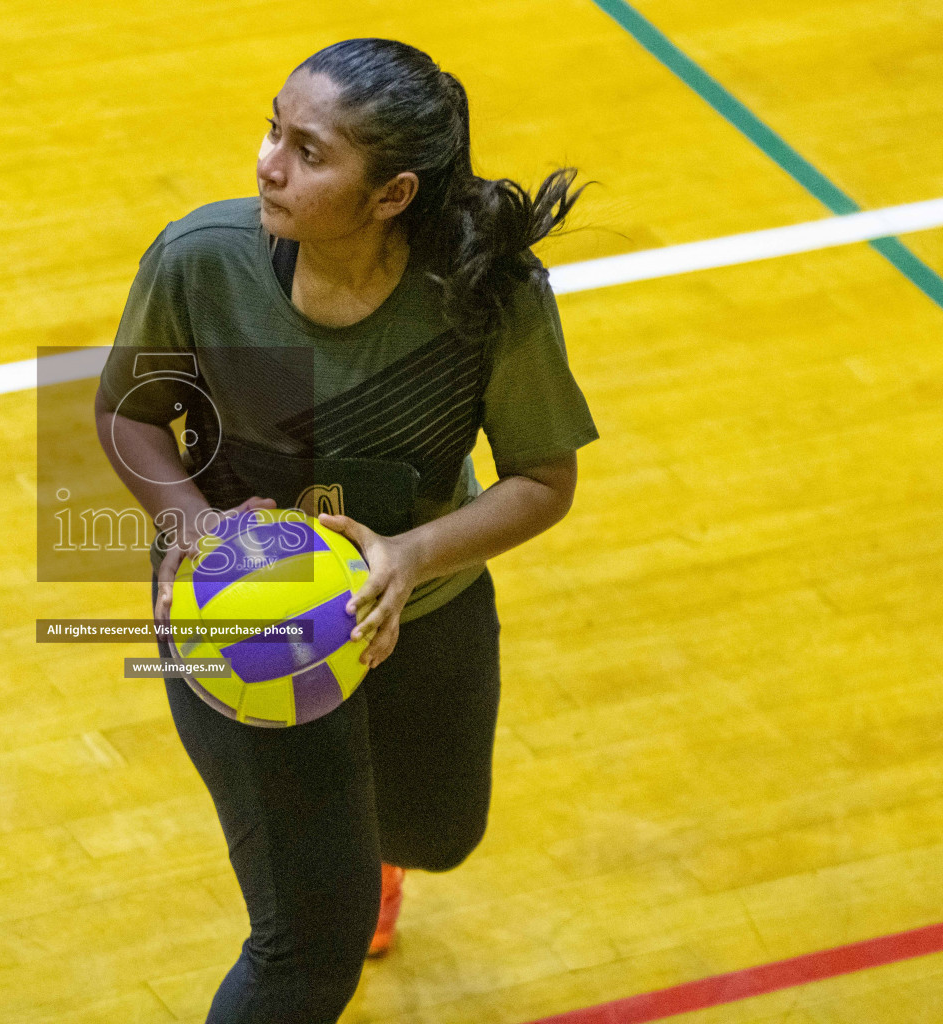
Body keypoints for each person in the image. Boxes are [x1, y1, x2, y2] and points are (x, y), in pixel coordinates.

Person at [94, 38, 598, 1023]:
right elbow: (127, 413)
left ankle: (368, 848)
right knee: (308, 944)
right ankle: (335, 871)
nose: (267, 162)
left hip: (424, 603)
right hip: (237, 616)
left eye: (308, 151)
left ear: (391, 195)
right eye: (272, 128)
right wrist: (194, 530)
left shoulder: (486, 294)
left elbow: (543, 478)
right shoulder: (203, 260)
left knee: (439, 829)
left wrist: (409, 555)